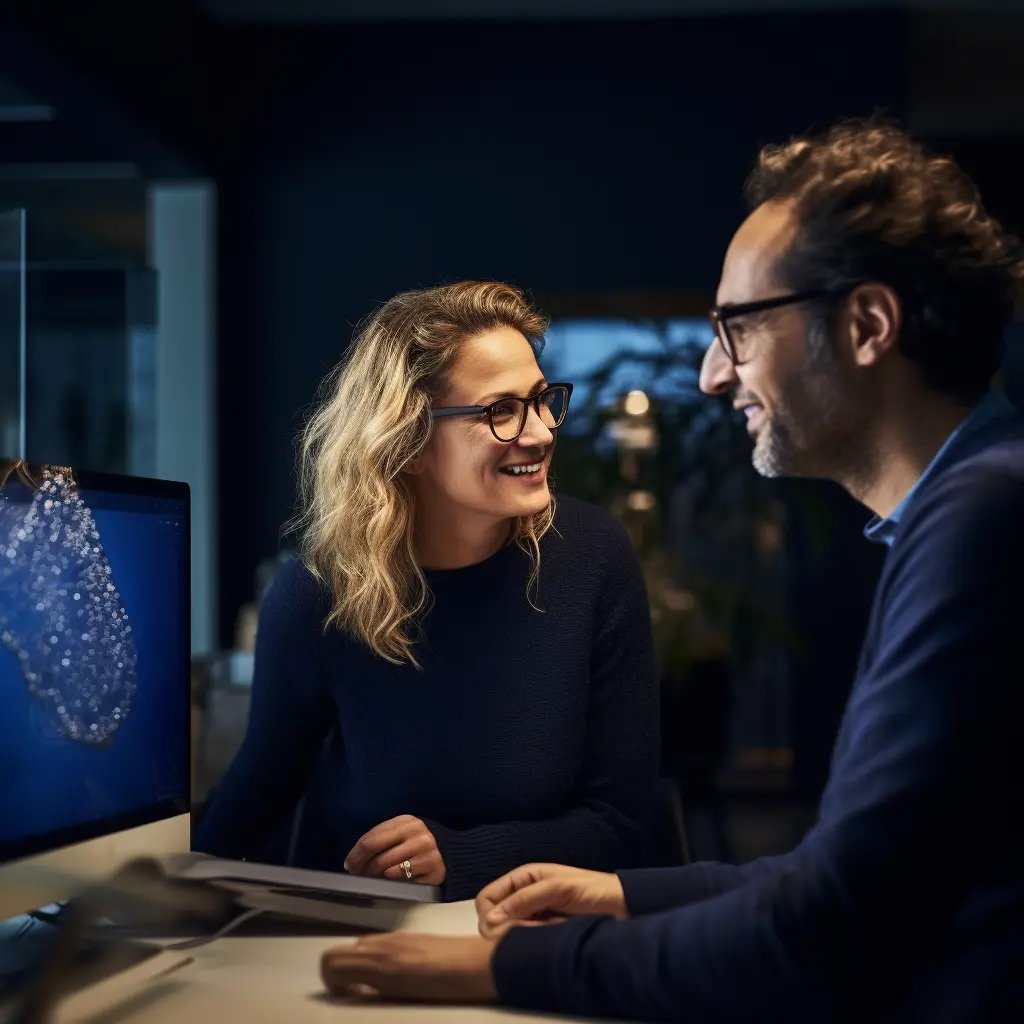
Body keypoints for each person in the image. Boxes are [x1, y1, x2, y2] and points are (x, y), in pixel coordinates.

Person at [320, 120, 1024, 1019]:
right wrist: (623, 896)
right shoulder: (970, 501)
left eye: (737, 327)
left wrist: (506, 971)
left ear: (868, 325)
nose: (710, 375)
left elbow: (830, 924)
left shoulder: (982, 516)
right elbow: (845, 870)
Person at [194, 280, 659, 901]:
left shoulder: (591, 559)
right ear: (407, 442)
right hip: (358, 939)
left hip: (536, 933)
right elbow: (252, 805)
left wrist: (460, 857)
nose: (543, 431)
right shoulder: (319, 595)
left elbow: (625, 825)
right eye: (501, 410)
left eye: (543, 400)